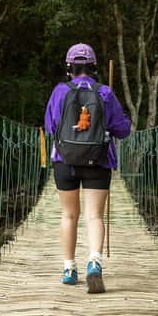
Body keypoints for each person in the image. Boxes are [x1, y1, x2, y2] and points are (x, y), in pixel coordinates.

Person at [44, 43, 131, 293]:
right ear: (93, 67)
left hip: (65, 160)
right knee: (95, 215)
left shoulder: (60, 92)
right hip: (99, 161)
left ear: (69, 67)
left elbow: (51, 126)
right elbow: (122, 130)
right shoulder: (104, 92)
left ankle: (69, 268)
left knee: (69, 215)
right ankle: (94, 262)